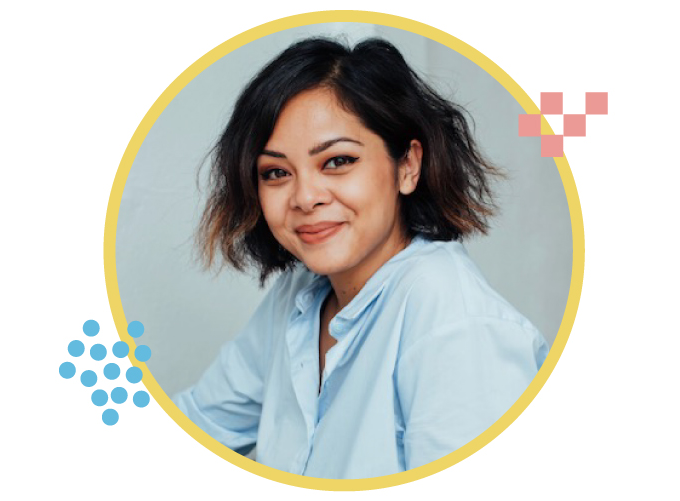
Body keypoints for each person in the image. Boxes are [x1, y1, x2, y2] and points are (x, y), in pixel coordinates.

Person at [174, 37, 548, 480]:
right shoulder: (299, 294)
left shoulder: (456, 325)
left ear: (407, 166)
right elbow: (193, 429)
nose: (306, 197)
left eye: (337, 161)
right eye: (276, 172)